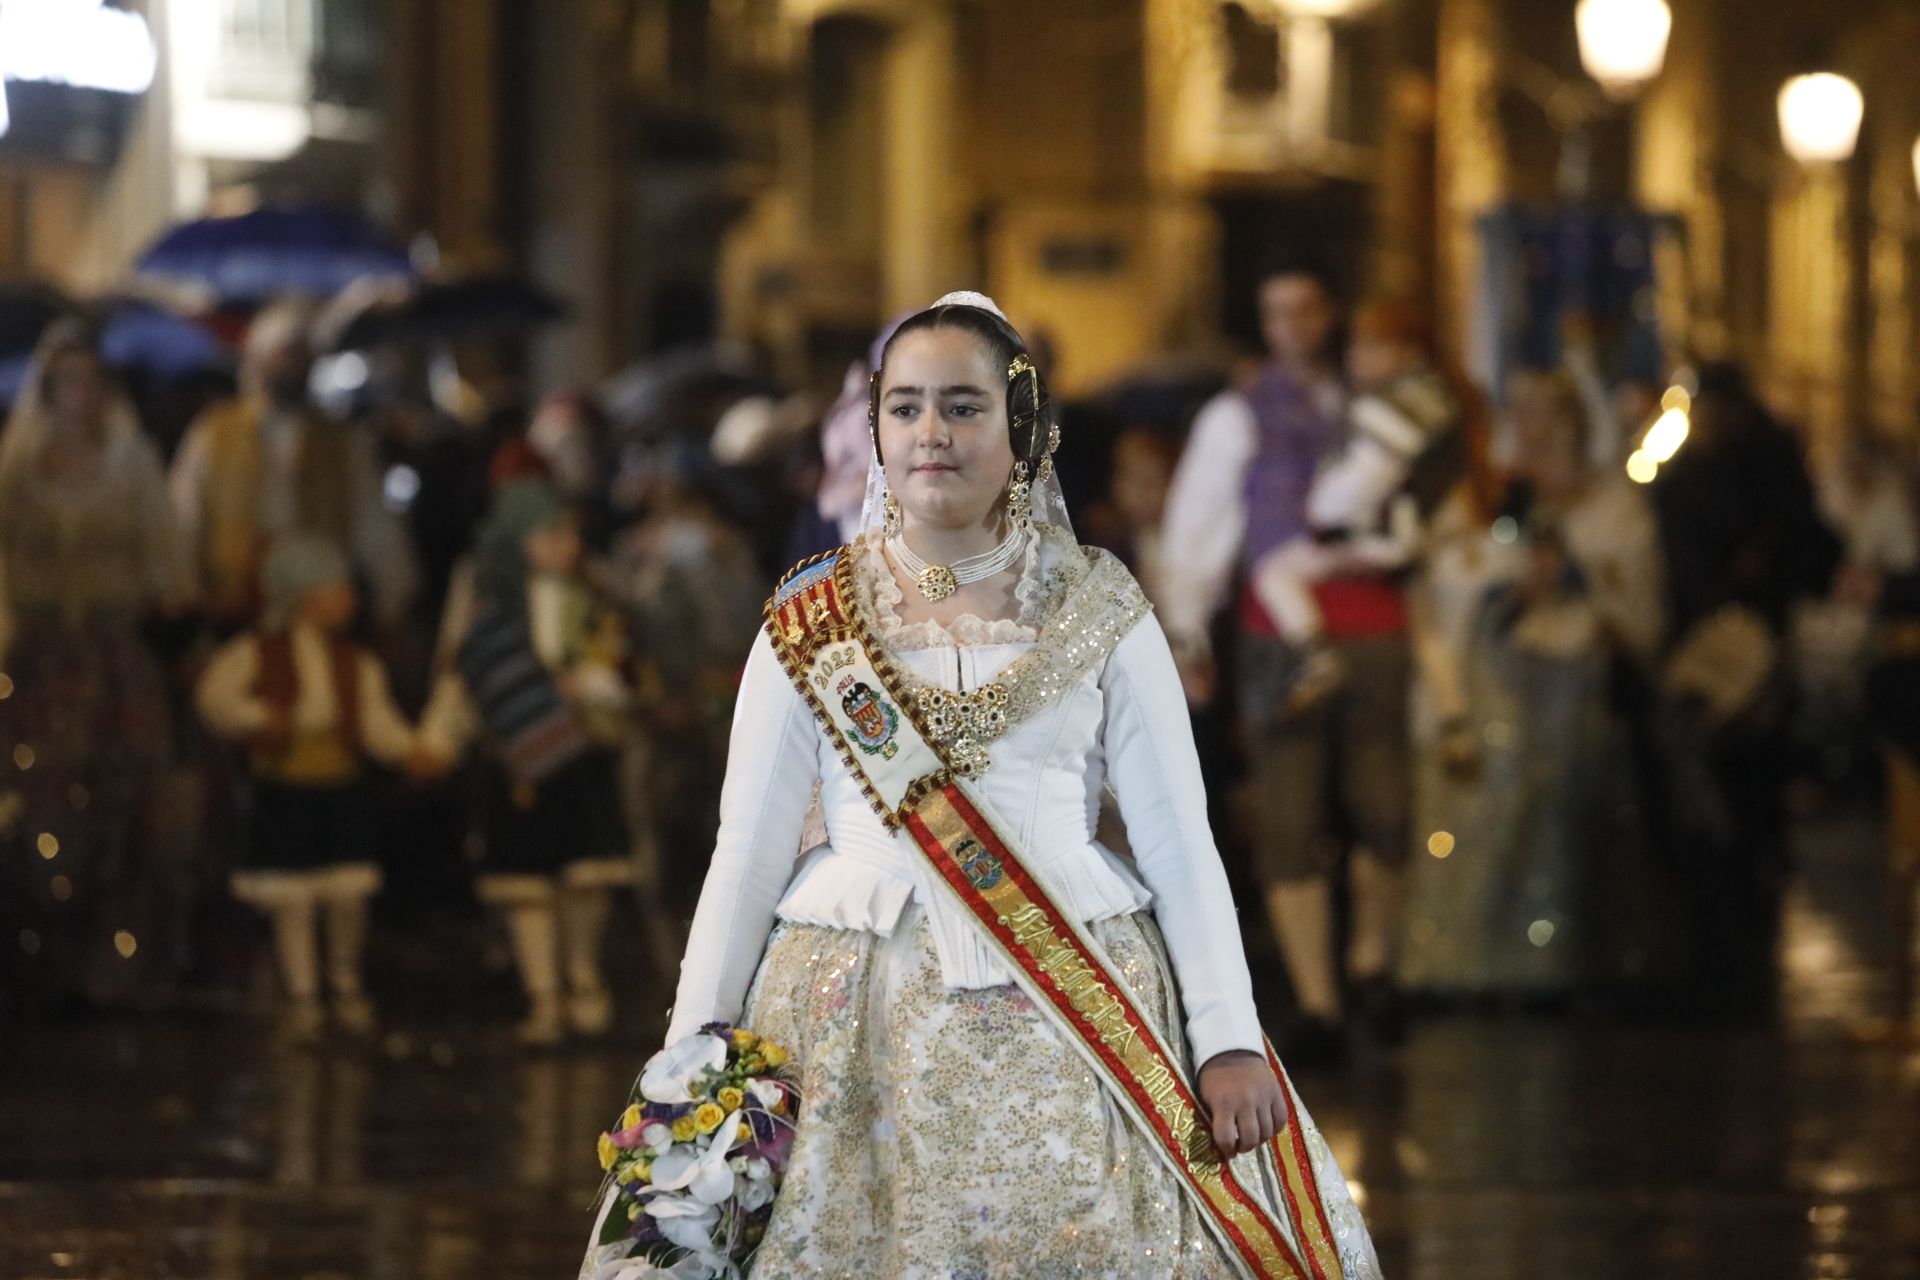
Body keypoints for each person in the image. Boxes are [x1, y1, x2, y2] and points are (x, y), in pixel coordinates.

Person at [581, 293, 1380, 1280]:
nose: (932, 432)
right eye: (907, 405)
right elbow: (743, 857)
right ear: (873, 426)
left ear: (1022, 426)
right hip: (850, 1034)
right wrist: (689, 1064)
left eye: (963, 405)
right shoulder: (807, 618)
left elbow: (1179, 844)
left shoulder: (1103, 608)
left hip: (1079, 1021)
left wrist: (1223, 1038)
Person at [1159, 265, 1411, 1061]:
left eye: (1304, 309)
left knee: (1386, 810)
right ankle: (1318, 999)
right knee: (1291, 813)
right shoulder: (1239, 416)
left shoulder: (1369, 400)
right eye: (1276, 312)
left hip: (1374, 622)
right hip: (1280, 630)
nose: (1291, 326)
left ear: (1326, 315)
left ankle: (1372, 962)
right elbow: (1195, 529)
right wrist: (1188, 631)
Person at [0, 318, 196, 1011]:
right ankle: (39, 953)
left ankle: (113, 960)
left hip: (113, 656)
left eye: (88, 383)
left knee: (125, 803)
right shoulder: (18, 468)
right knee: (40, 801)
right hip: (40, 658)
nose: (78, 398)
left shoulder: (130, 462)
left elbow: (167, 564)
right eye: (65, 384)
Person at [420, 478, 636, 1047]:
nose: (566, 545)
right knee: (529, 888)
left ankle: (582, 977)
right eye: (550, 534)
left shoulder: (591, 597)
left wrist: (595, 686)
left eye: (569, 533)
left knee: (587, 882)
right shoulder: (488, 610)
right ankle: (543, 993)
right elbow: (463, 679)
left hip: (582, 756)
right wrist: (436, 742)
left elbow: (621, 659)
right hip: (517, 763)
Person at [195, 535, 431, 1042]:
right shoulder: (257, 654)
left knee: (346, 896)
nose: (347, 601)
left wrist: (407, 749)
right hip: (287, 792)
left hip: (339, 792)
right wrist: (260, 717)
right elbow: (215, 697)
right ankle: (303, 991)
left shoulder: (355, 664)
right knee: (293, 901)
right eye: (335, 590)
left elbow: (376, 721)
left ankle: (343, 981)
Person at [170, 300, 419, 631]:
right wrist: (183, 595)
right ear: (260, 359)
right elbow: (185, 516)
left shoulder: (343, 440)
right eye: (284, 355)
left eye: (302, 356)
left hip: (319, 605)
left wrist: (394, 596)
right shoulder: (215, 433)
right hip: (237, 605)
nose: (294, 366)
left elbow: (372, 520)